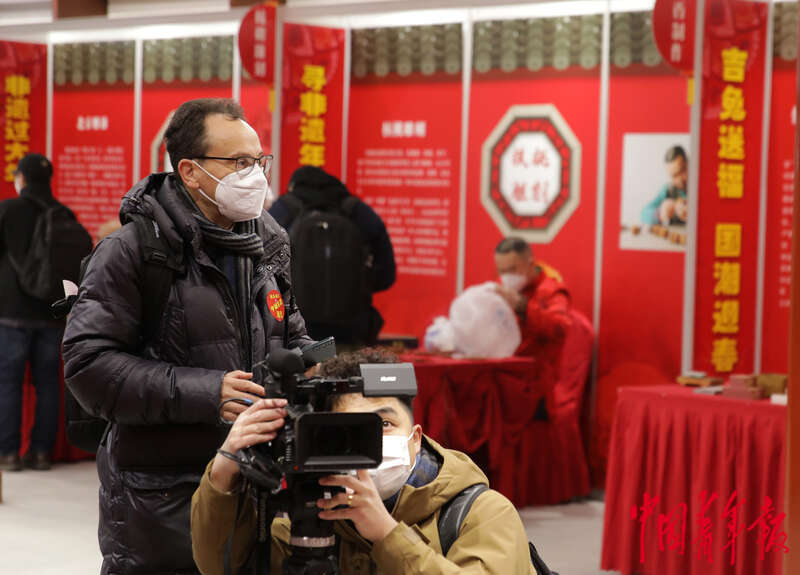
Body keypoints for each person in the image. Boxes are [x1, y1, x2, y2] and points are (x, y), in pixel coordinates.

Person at [62, 98, 314, 574]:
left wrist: (313, 368)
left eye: (259, 161)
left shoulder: (268, 244)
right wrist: (207, 392)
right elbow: (88, 366)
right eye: (237, 162)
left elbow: (290, 335)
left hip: (257, 484)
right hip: (163, 497)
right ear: (190, 172)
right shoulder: (132, 251)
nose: (254, 175)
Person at [191, 348, 536, 574]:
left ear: (416, 437)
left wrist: (387, 535)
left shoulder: (481, 514)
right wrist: (223, 471)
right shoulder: (307, 516)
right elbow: (219, 567)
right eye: (351, 430)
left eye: (384, 425)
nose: (373, 442)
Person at [268, 166, 395, 346]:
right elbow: (387, 275)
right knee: (352, 365)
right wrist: (358, 286)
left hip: (297, 331)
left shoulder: (285, 208)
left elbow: (262, 268)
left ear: (294, 186)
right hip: (352, 329)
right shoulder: (356, 210)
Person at [0, 154, 68, 471]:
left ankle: (8, 454)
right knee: (48, 385)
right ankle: (41, 453)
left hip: (10, 312)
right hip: (51, 314)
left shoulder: (8, 209)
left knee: (8, 383)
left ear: (22, 179)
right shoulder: (63, 214)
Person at [493, 237, 571, 385]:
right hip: (503, 372)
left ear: (530, 264)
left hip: (536, 379)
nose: (506, 277)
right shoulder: (502, 286)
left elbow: (561, 327)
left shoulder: (552, 290)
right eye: (501, 271)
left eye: (512, 270)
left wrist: (523, 307)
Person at [640, 145, 688, 226]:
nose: (679, 180)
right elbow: (643, 213)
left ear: (688, 164)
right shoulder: (667, 190)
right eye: (673, 176)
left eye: (682, 170)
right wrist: (660, 213)